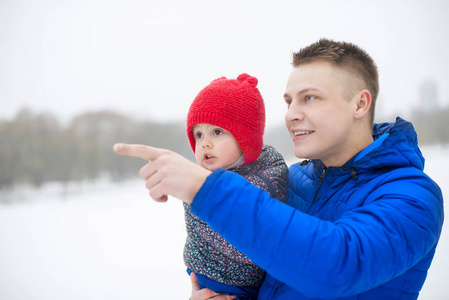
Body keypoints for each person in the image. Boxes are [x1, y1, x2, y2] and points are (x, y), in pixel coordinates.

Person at [113, 38, 444, 299]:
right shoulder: (293, 179)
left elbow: (336, 265)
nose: (291, 114)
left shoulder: (412, 196)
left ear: (360, 103)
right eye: (289, 101)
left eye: (309, 98)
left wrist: (207, 189)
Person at [183, 73, 288, 299]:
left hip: (238, 287)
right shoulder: (203, 175)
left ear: (245, 138)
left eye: (217, 132)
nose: (205, 143)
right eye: (198, 134)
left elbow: (252, 238)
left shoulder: (265, 177)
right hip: (202, 281)